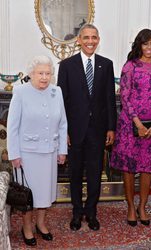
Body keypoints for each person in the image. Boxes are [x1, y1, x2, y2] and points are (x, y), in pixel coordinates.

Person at [58, 23, 117, 232]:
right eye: (86, 37)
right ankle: (76, 212)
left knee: (94, 173)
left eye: (94, 37)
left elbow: (110, 98)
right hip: (74, 131)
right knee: (74, 173)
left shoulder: (106, 64)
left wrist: (111, 128)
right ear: (79, 40)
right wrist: (62, 131)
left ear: (98, 40)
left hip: (98, 130)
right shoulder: (66, 65)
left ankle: (91, 212)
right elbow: (62, 101)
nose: (90, 41)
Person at [110, 29, 151, 227]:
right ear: (139, 45)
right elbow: (125, 98)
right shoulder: (130, 67)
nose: (149, 48)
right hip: (130, 125)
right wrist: (137, 123)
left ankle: (142, 206)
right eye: (146, 44)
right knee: (129, 168)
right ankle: (130, 207)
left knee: (147, 168)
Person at [7, 55, 67, 246]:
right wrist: (14, 154)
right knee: (28, 195)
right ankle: (26, 227)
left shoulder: (56, 92)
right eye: (40, 73)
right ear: (31, 74)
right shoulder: (20, 92)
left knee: (45, 193)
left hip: (50, 152)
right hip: (27, 155)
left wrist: (62, 150)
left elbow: (63, 124)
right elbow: (13, 126)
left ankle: (41, 224)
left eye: (47, 73)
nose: (44, 77)